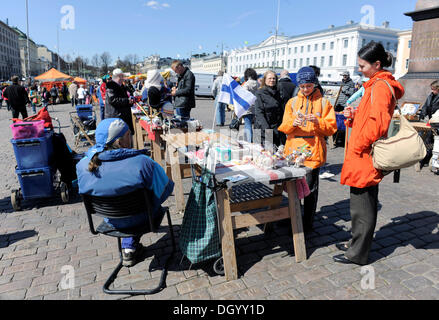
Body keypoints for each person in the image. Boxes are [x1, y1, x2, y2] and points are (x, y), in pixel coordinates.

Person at [337, 41, 405, 266]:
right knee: (359, 203)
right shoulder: (375, 85)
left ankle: (358, 253)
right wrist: (355, 114)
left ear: (376, 64)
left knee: (362, 206)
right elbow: (371, 117)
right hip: (362, 154)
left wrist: (358, 145)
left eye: (362, 66)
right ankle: (356, 242)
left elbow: (377, 125)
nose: (359, 69)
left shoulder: (379, 87)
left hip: (364, 155)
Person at [76, 118, 174, 266]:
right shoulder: (143, 162)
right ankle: (130, 244)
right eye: (129, 134)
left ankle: (128, 246)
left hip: (110, 220)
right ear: (120, 142)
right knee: (148, 205)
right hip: (143, 218)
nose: (132, 137)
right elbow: (166, 190)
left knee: (131, 209)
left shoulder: (82, 166)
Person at [278, 67, 337, 232]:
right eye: (302, 86)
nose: (305, 90)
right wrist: (292, 124)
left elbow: (331, 128)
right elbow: (284, 126)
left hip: (313, 152)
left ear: (315, 84)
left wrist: (318, 121)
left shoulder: (324, 103)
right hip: (293, 151)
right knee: (292, 187)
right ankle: (293, 215)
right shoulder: (292, 102)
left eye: (309, 86)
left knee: (310, 189)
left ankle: (307, 222)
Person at [254, 70, 283, 148]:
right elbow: (259, 113)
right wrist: (267, 130)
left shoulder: (278, 92)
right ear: (265, 80)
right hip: (262, 128)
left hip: (275, 128)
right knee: (263, 155)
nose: (272, 80)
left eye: (274, 78)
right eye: (269, 78)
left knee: (275, 156)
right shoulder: (259, 93)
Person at [105, 68, 135, 134]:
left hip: (121, 115)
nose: (123, 78)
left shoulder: (121, 86)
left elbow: (124, 99)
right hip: (115, 116)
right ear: (116, 77)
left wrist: (130, 101)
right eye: (121, 77)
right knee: (118, 138)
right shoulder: (111, 86)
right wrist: (127, 101)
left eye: (122, 76)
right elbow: (113, 100)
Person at [418, 80, 439, 169]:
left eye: (434, 89)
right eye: (431, 89)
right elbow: (426, 106)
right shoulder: (431, 96)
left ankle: (430, 159)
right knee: (427, 138)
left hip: (437, 121)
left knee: (434, 140)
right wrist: (423, 114)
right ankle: (426, 158)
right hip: (431, 121)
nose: (432, 91)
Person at [241, 68, 259, 143]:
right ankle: (257, 141)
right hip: (257, 107)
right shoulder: (258, 84)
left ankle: (249, 141)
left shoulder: (246, 84)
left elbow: (244, 95)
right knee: (256, 126)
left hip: (248, 107)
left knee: (248, 125)